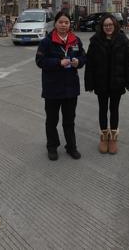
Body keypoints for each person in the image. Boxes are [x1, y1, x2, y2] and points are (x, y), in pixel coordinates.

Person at [36, 11, 87, 161]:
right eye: (60, 22)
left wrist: (79, 62)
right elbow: (40, 61)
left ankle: (71, 146)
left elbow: (83, 56)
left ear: (70, 24)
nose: (63, 25)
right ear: (55, 23)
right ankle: (52, 147)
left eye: (66, 22)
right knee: (52, 120)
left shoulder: (75, 40)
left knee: (69, 121)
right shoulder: (47, 42)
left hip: (71, 88)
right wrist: (58, 62)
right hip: (52, 88)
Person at [84, 13, 129, 154]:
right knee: (102, 109)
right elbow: (90, 64)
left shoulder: (123, 41)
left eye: (110, 25)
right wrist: (89, 84)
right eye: (105, 25)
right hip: (100, 82)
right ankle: (103, 137)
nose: (108, 27)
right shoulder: (95, 41)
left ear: (115, 25)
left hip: (117, 83)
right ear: (102, 27)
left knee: (114, 109)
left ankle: (113, 138)